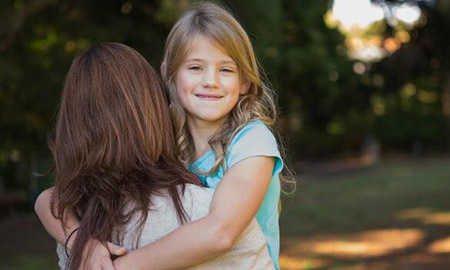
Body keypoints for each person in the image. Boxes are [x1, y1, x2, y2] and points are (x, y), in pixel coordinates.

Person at [36, 2, 294, 270]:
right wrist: (82, 243)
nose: (211, 81)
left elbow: (221, 232)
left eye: (226, 69)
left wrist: (118, 267)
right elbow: (48, 200)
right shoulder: (166, 137)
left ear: (245, 82)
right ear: (169, 73)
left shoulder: (252, 140)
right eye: (195, 67)